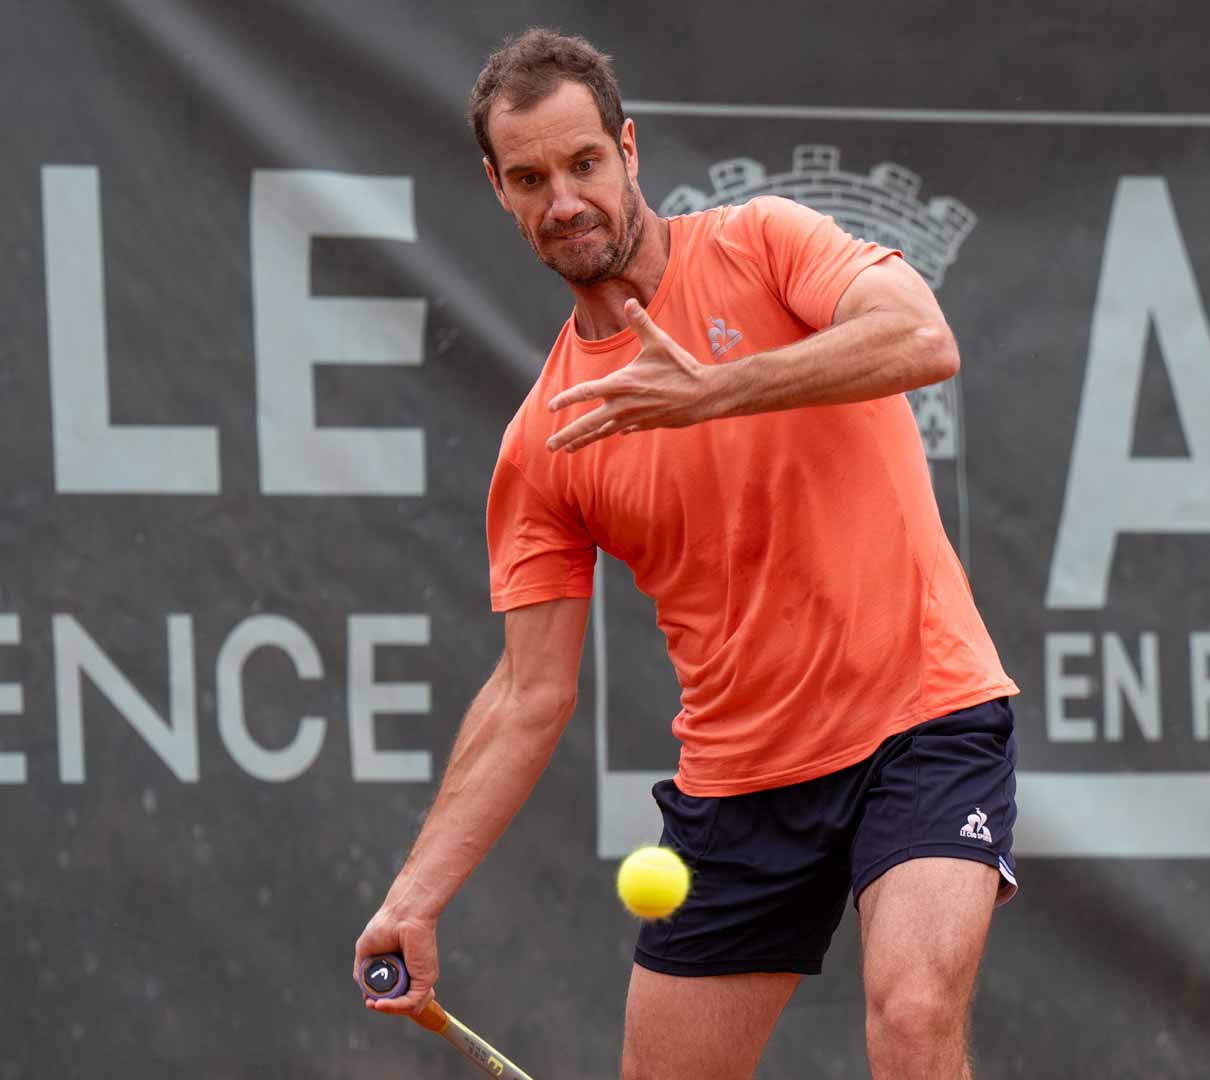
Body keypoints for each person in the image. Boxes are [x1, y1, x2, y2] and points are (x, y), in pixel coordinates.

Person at [351, 27, 1020, 1080]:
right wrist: (413, 897)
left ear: (628, 149)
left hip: (922, 719)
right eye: (531, 178)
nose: (564, 200)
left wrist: (712, 391)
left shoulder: (764, 241)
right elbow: (530, 692)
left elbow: (920, 339)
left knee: (912, 1018)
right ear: (498, 190)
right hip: (740, 782)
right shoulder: (543, 443)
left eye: (583, 164)